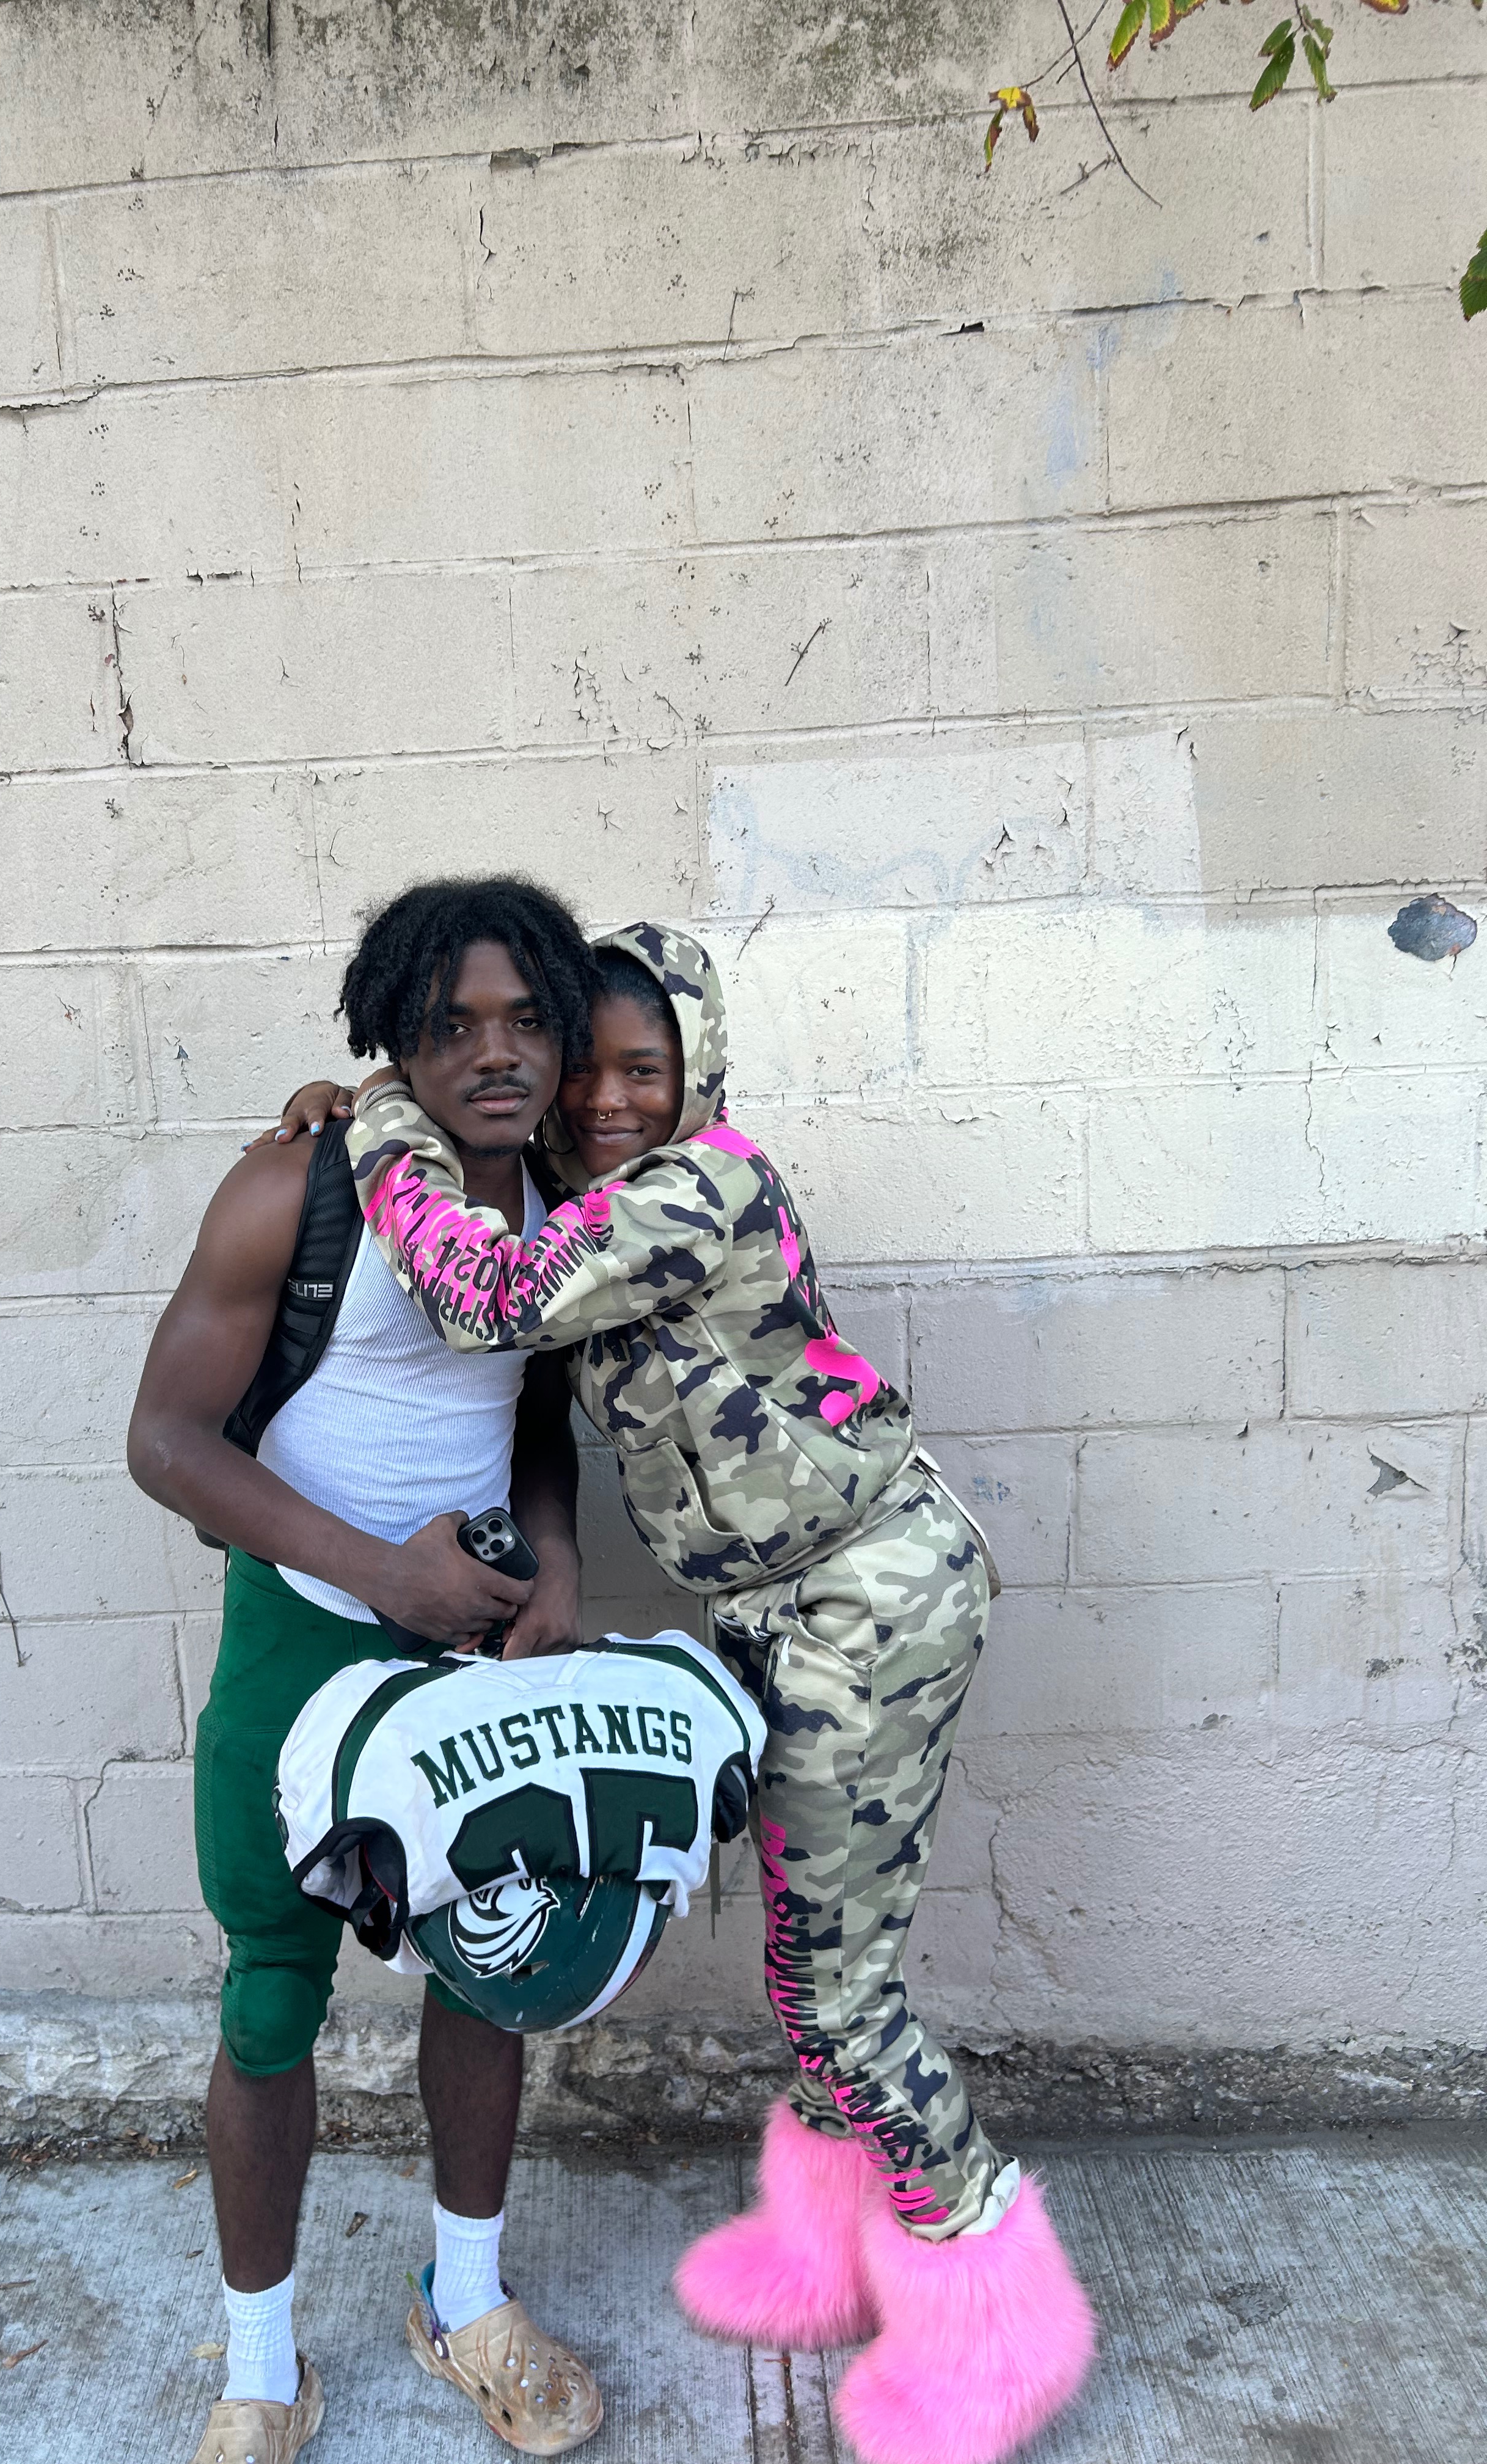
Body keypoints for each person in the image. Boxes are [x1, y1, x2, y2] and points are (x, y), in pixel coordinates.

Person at [274, 923, 1095, 2464]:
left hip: (869, 1596)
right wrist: (365, 1100)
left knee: (839, 1990)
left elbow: (485, 1297)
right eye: (585, 1067)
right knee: (812, 1963)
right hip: (780, 1607)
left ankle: (995, 2325)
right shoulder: (597, 1190)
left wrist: (382, 1113)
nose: (607, 1098)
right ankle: (833, 2245)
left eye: (644, 1069)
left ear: (696, 1072)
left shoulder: (702, 1186)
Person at [128, 879, 608, 2464]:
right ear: (395, 1039)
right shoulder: (300, 1186)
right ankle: (261, 2368)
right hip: (303, 1641)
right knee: (271, 1998)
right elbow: (164, 1440)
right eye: (452, 1023)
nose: (495, 1053)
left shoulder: (562, 1207)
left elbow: (536, 1416)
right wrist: (380, 1570)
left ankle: (464, 2299)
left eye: (526, 1020)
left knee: (489, 1971)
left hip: (470, 1649)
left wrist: (559, 1557)